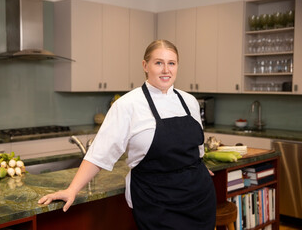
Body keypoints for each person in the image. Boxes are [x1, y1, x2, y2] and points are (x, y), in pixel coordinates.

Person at [38, 39, 216, 229]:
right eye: (158, 63)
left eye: (171, 63)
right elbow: (99, 153)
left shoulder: (189, 102)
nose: (166, 70)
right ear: (145, 65)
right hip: (157, 203)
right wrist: (72, 189)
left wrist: (197, 166)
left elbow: (195, 147)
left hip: (198, 198)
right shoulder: (127, 105)